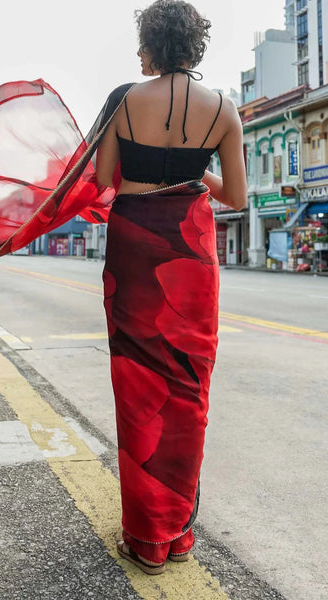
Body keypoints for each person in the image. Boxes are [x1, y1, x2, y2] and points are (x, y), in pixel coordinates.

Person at [95, 0, 247, 575]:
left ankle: (144, 537)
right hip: (190, 251)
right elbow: (235, 197)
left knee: (136, 383)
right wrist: (191, 170)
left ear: (152, 44)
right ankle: (177, 534)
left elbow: (106, 177)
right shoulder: (225, 110)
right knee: (187, 388)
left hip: (133, 244)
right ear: (196, 45)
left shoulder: (126, 100)